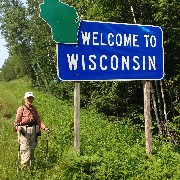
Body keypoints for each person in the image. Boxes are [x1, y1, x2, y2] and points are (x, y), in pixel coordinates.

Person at [14, 92, 49, 170]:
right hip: (24, 131)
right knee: (25, 151)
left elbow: (38, 121)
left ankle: (30, 169)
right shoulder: (21, 108)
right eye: (28, 98)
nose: (29, 99)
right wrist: (18, 128)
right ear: (25, 99)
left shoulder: (34, 109)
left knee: (32, 150)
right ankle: (23, 171)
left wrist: (44, 128)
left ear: (32, 99)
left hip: (33, 131)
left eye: (31, 98)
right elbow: (16, 122)